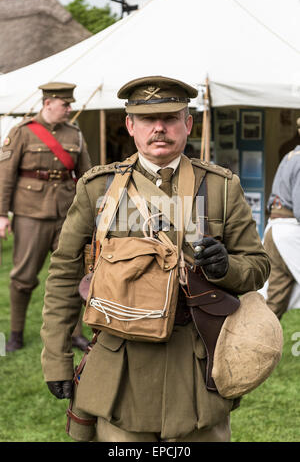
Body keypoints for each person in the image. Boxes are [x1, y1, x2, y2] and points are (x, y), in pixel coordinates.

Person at [40, 76, 270, 442]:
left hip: (196, 366)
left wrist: (227, 268)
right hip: (121, 368)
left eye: (170, 117)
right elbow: (64, 276)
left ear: (188, 124)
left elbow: (257, 266)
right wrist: (56, 359)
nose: (159, 128)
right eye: (147, 120)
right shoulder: (98, 189)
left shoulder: (221, 188)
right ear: (130, 125)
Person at [0, 82, 92, 352]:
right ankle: (16, 333)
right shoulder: (21, 133)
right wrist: (1, 215)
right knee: (23, 277)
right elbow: (5, 177)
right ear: (48, 103)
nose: (70, 108)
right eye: (65, 104)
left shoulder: (74, 134)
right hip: (31, 215)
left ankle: (75, 333)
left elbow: (87, 175)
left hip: (67, 216)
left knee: (73, 275)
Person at [262, 122, 300, 319]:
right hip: (290, 230)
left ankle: (255, 345)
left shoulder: (290, 156)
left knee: (274, 302)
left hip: (274, 229)